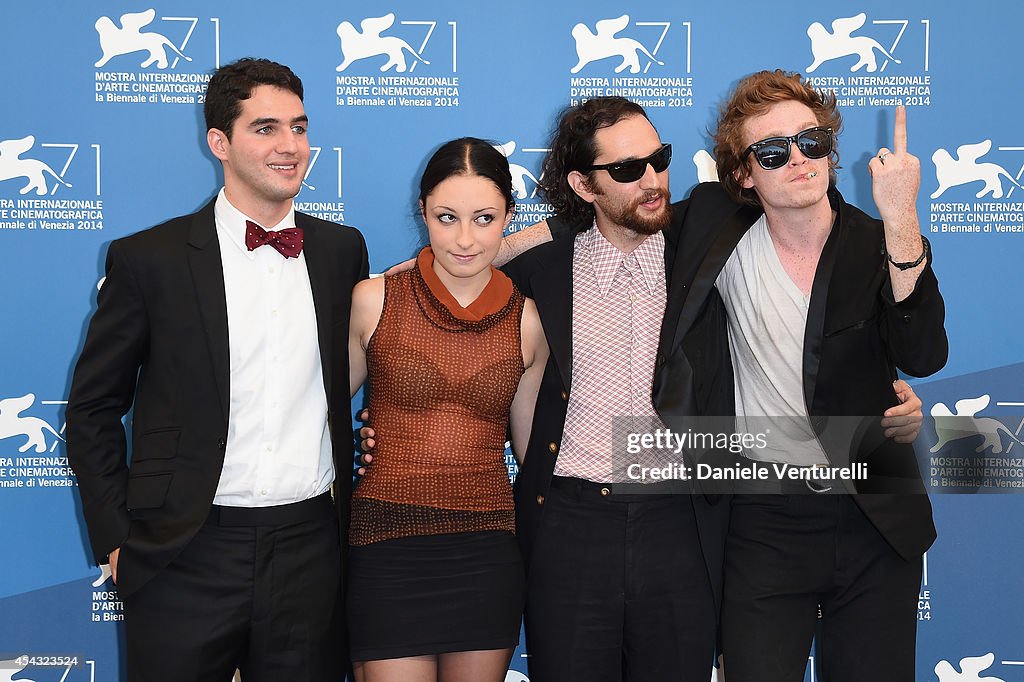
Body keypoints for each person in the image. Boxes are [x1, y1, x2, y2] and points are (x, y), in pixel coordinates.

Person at [362, 96, 927, 682]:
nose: (652, 180)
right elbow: (461, 314)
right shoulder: (542, 271)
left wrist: (883, 398)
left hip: (681, 520)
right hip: (569, 524)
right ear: (583, 185)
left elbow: (818, 251)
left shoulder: (706, 238)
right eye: (628, 170)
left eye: (658, 159)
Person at [65, 58, 367, 682]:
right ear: (219, 143)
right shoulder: (150, 259)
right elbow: (93, 406)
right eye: (266, 128)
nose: (290, 146)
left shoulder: (342, 251)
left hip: (310, 547)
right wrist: (116, 539)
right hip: (184, 549)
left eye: (299, 126)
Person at [686, 70, 945, 682]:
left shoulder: (881, 240)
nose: (798, 160)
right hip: (763, 520)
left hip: (875, 516)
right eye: (772, 151)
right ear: (744, 174)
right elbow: (603, 220)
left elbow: (925, 354)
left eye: (811, 140)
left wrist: (902, 214)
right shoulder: (711, 228)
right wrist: (460, 257)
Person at [346, 138, 548, 682]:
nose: (465, 239)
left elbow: (532, 458)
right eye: (447, 217)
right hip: (386, 543)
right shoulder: (375, 299)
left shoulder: (529, 321)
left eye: (484, 218)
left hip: (486, 550)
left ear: (510, 215)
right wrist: (349, 442)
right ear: (423, 213)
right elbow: (309, 409)